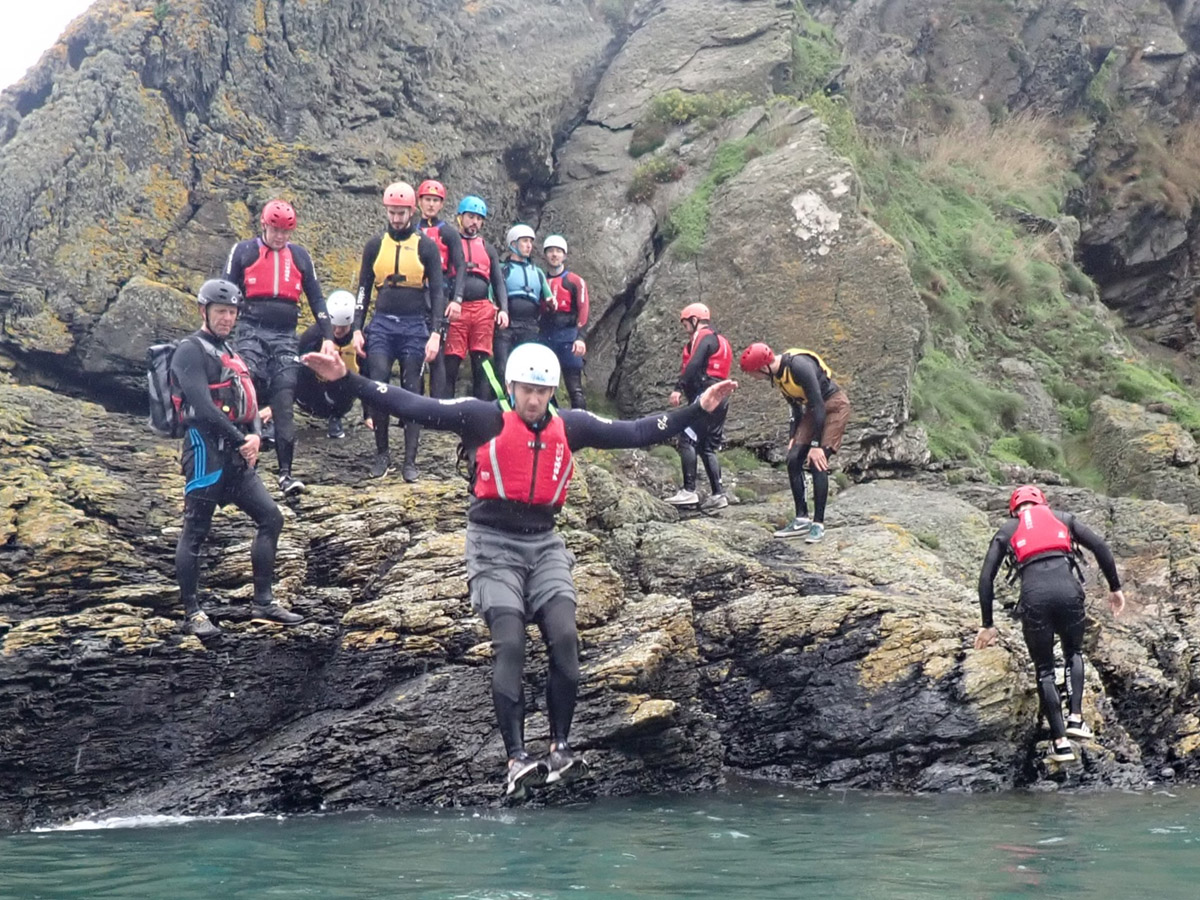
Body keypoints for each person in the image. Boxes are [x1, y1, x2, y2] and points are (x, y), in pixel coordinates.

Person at [301, 342, 737, 798]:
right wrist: (345, 380)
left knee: (565, 640)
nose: (535, 400)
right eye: (528, 390)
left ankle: (560, 748)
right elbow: (411, 403)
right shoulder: (480, 417)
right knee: (509, 643)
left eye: (543, 392)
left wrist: (697, 409)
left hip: (545, 545)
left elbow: (637, 431)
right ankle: (515, 759)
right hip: (492, 545)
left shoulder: (572, 425)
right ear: (511, 387)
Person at [171, 279, 304, 638]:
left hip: (237, 457)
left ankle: (263, 602)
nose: (227, 318)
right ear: (204, 311)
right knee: (196, 530)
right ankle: (193, 612)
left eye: (232, 312)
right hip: (204, 450)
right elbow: (201, 405)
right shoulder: (189, 350)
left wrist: (256, 439)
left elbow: (250, 406)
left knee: (271, 518)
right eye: (221, 312)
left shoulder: (231, 351)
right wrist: (240, 439)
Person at [975, 485, 1126, 762]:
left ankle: (1060, 744)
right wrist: (1115, 588)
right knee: (1074, 653)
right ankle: (1076, 718)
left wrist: (987, 624)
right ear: (1042, 503)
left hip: (1035, 600)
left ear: (1014, 510)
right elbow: (1101, 546)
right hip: (1069, 593)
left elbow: (986, 579)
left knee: (1044, 670)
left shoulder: (1008, 529)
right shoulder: (1063, 518)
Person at [224, 199, 334, 496]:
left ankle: (286, 475)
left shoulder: (299, 257)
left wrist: (327, 336)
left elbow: (317, 299)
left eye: (286, 232)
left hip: (285, 335)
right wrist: (220, 337)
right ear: (264, 225)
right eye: (275, 231)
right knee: (247, 391)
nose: (280, 237)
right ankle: (244, 468)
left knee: (285, 400)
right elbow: (225, 294)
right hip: (251, 332)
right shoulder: (244, 251)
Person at [353, 182, 445, 481]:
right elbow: (363, 289)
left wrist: (435, 333)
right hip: (381, 323)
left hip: (414, 326)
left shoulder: (425, 246)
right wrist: (356, 328)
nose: (396, 218)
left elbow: (439, 293)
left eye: (401, 213)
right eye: (392, 212)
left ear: (411, 211)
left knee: (411, 390)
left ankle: (410, 461)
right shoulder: (375, 244)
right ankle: (382, 454)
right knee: (379, 386)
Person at [738, 342, 852, 543]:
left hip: (833, 406)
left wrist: (816, 446)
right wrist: (794, 436)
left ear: (763, 367)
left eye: (753, 373)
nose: (753, 378)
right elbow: (795, 408)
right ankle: (801, 519)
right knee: (793, 458)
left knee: (818, 462)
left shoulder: (798, 366)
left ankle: (818, 524)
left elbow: (817, 403)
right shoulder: (778, 376)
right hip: (813, 410)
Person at [665, 303, 733, 511]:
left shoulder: (704, 337)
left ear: (695, 320)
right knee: (707, 446)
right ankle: (718, 494)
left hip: (707, 395)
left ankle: (688, 491)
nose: (685, 328)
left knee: (686, 438)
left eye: (686, 323)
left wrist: (678, 388)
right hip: (721, 396)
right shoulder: (720, 340)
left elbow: (693, 365)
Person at [444, 195, 508, 400]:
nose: (475, 222)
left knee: (481, 364)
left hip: (482, 309)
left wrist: (504, 309)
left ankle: (481, 411)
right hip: (456, 309)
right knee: (451, 363)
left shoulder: (487, 248)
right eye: (471, 217)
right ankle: (446, 409)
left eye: (479, 218)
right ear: (460, 217)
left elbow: (498, 281)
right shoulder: (449, 242)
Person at [416, 179, 466, 399]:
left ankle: (438, 406)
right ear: (419, 202)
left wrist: (457, 299)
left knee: (438, 353)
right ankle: (413, 407)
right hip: (415, 294)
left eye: (435, 201)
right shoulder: (411, 230)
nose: (431, 205)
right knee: (415, 350)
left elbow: (461, 266)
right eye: (427, 199)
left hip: (440, 294)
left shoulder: (449, 233)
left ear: (441, 204)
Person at [296, 289, 359, 439]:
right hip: (310, 396)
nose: (338, 331)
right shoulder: (313, 335)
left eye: (343, 327)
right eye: (334, 326)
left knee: (349, 379)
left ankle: (335, 417)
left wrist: (368, 415)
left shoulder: (358, 341)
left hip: (340, 397)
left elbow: (368, 375)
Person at [495, 223, 553, 387]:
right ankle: (502, 403)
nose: (529, 246)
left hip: (530, 325)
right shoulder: (502, 269)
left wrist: (551, 302)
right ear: (513, 244)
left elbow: (549, 297)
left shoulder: (538, 272)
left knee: (527, 368)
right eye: (525, 241)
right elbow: (492, 294)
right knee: (502, 368)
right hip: (507, 325)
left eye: (530, 242)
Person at [540, 234, 589, 409]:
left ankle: (582, 428)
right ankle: (554, 421)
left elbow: (584, 309)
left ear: (565, 255)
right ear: (545, 255)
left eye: (558, 251)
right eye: (551, 251)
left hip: (568, 336)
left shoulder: (575, 281)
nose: (554, 255)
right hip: (546, 337)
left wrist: (580, 337)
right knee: (543, 386)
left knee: (574, 388)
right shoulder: (540, 280)